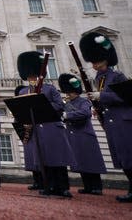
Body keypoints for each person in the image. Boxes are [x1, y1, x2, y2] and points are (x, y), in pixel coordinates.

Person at [80, 32, 132, 203]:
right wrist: (99, 107)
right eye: (93, 61)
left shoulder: (117, 76)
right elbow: (106, 99)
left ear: (106, 59)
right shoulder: (99, 79)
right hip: (111, 121)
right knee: (122, 157)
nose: (94, 64)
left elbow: (125, 97)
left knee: (128, 156)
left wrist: (100, 97)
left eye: (97, 61)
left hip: (123, 121)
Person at [17, 51, 73, 198]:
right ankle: (49, 186)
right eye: (28, 76)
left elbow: (59, 105)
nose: (31, 78)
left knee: (57, 159)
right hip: (37, 130)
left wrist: (42, 105)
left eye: (32, 75)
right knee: (44, 160)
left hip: (51, 127)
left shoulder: (49, 89)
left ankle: (63, 187)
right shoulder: (24, 91)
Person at [58, 73, 106, 195]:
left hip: (85, 134)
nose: (67, 94)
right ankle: (87, 186)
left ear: (75, 91)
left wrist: (67, 115)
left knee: (91, 161)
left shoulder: (84, 101)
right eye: (67, 92)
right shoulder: (66, 103)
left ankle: (97, 187)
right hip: (73, 135)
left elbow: (85, 114)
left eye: (69, 92)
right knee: (81, 161)